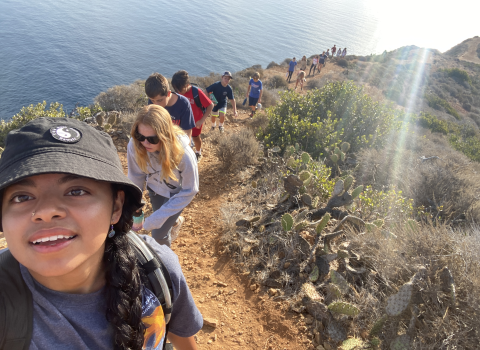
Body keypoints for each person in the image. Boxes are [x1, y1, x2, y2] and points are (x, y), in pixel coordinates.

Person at [0, 117, 202, 350]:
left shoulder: (157, 269)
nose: (46, 212)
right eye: (22, 197)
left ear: (116, 207)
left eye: (76, 191)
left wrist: (155, 219)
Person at [127, 105, 199, 247]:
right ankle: (175, 221)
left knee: (158, 234)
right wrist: (133, 203)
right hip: (155, 189)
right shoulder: (135, 145)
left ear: (164, 136)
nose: (145, 143)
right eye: (140, 136)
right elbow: (136, 176)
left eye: (152, 139)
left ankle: (165, 264)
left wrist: (155, 220)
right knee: (161, 217)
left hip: (176, 193)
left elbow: (190, 189)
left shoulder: (184, 154)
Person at [171, 70, 214, 162]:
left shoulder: (196, 92)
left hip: (196, 122)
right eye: (176, 89)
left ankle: (198, 152)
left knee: (195, 137)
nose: (178, 92)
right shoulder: (178, 92)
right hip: (182, 121)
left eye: (180, 89)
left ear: (187, 85)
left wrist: (202, 120)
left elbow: (210, 105)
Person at [145, 73, 196, 139]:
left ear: (168, 93)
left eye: (160, 100)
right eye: (152, 100)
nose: (156, 104)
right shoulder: (152, 101)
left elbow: (187, 133)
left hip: (179, 141)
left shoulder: (183, 104)